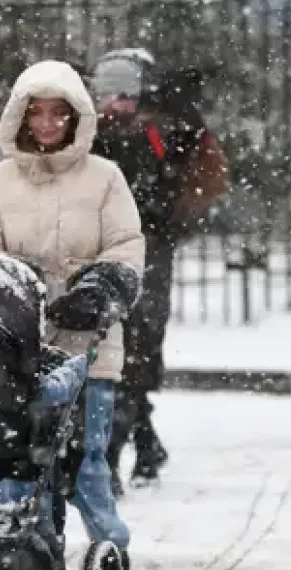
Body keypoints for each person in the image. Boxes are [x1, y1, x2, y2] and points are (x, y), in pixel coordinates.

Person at [0, 59, 145, 565]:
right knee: (21, 461)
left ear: (75, 117)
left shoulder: (105, 178)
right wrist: (15, 287)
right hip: (18, 345)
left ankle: (110, 546)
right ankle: (31, 552)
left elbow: (126, 246)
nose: (45, 124)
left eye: (57, 114)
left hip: (88, 345)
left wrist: (101, 287)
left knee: (87, 459)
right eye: (35, 113)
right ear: (19, 117)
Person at [87, 49, 230, 495]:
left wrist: (167, 221)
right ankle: (143, 444)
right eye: (106, 94)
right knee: (114, 349)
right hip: (101, 253)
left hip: (147, 253)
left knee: (134, 346)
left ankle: (113, 456)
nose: (115, 105)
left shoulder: (160, 132)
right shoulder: (88, 134)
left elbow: (199, 181)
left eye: (125, 94)